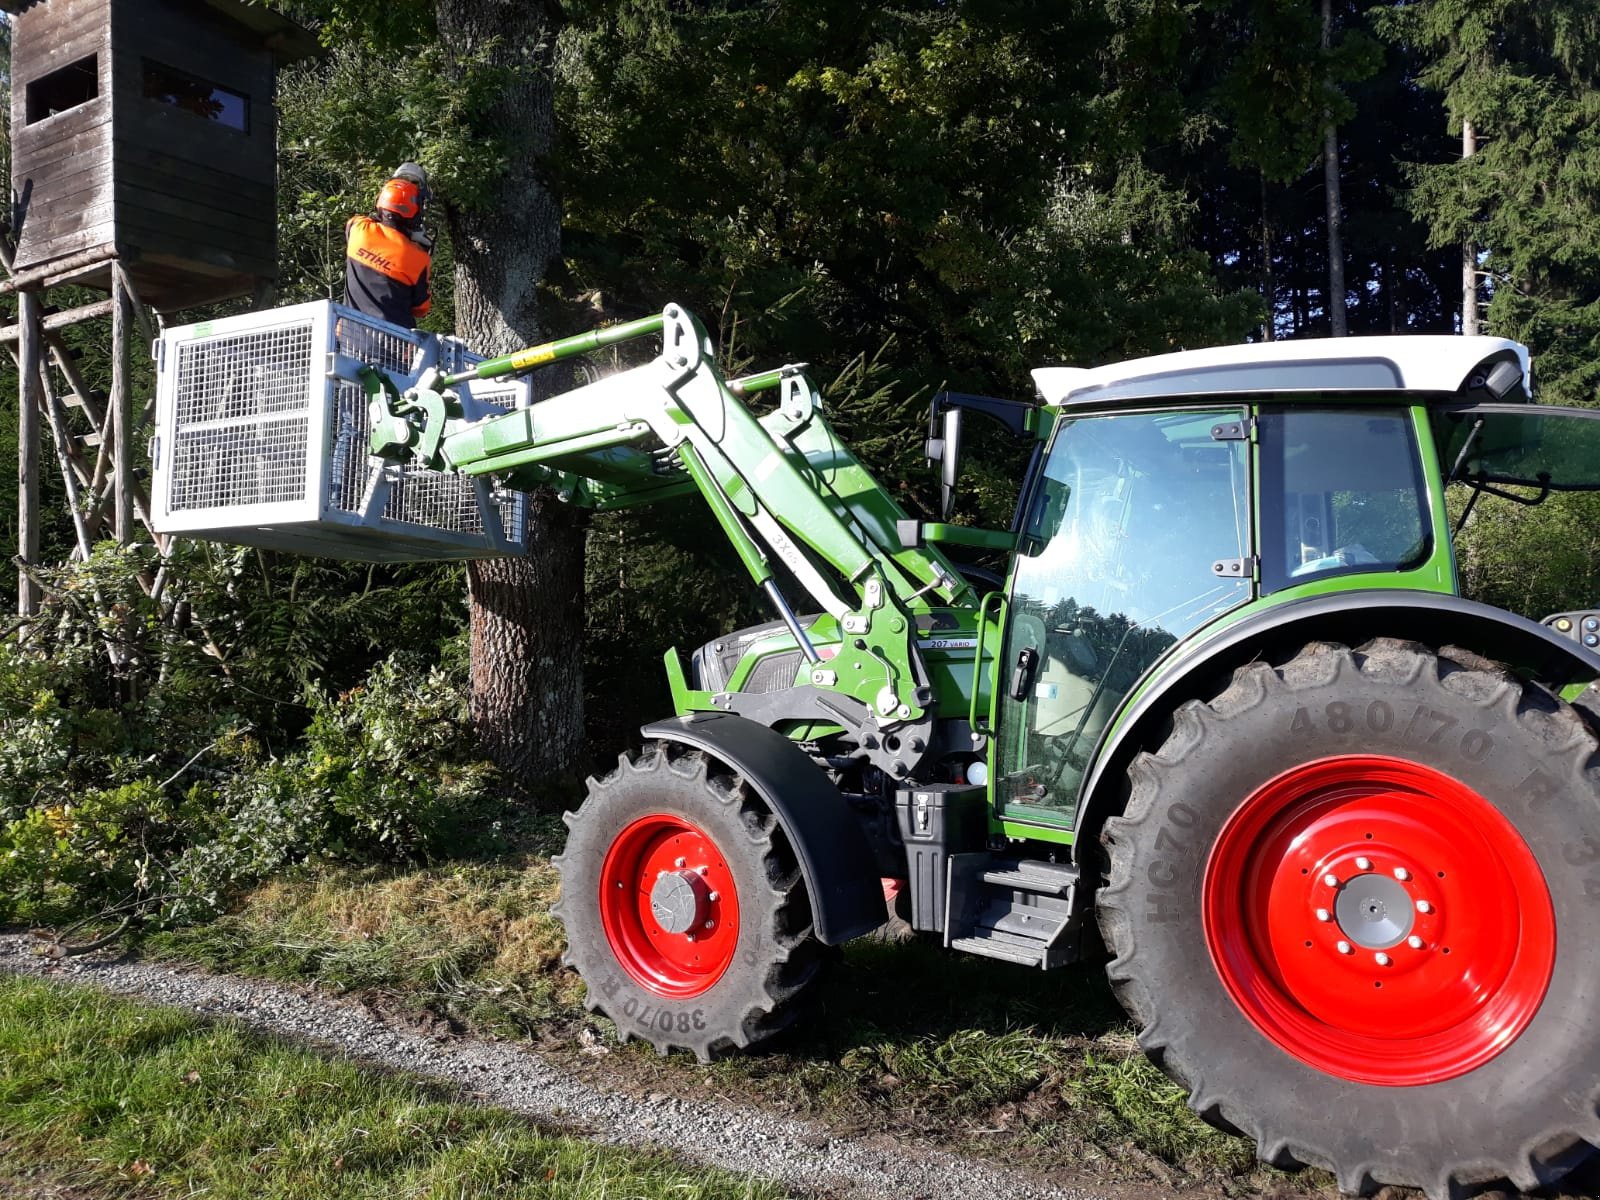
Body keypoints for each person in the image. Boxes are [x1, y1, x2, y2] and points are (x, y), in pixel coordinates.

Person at [343, 162, 433, 330]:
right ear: (414, 211)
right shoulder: (419, 259)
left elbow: (361, 222)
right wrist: (414, 242)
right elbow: (421, 309)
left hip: (350, 337)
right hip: (393, 342)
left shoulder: (358, 229)